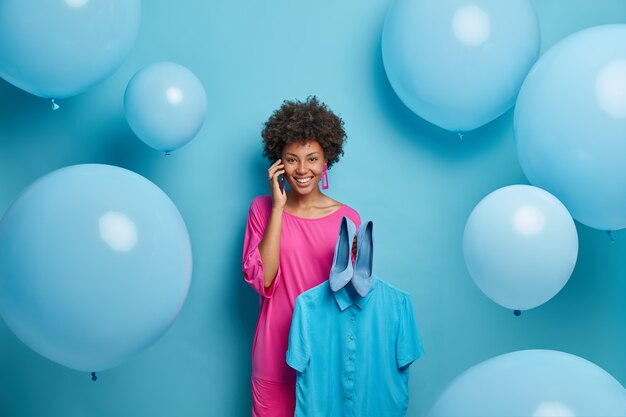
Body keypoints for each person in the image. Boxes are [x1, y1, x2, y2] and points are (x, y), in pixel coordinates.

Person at [242, 96, 361, 417]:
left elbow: (354, 297)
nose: (302, 169)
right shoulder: (262, 210)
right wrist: (278, 208)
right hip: (273, 354)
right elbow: (264, 280)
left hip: (327, 353)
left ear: (326, 162)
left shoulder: (348, 219)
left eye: (312, 158)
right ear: (278, 162)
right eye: (292, 159)